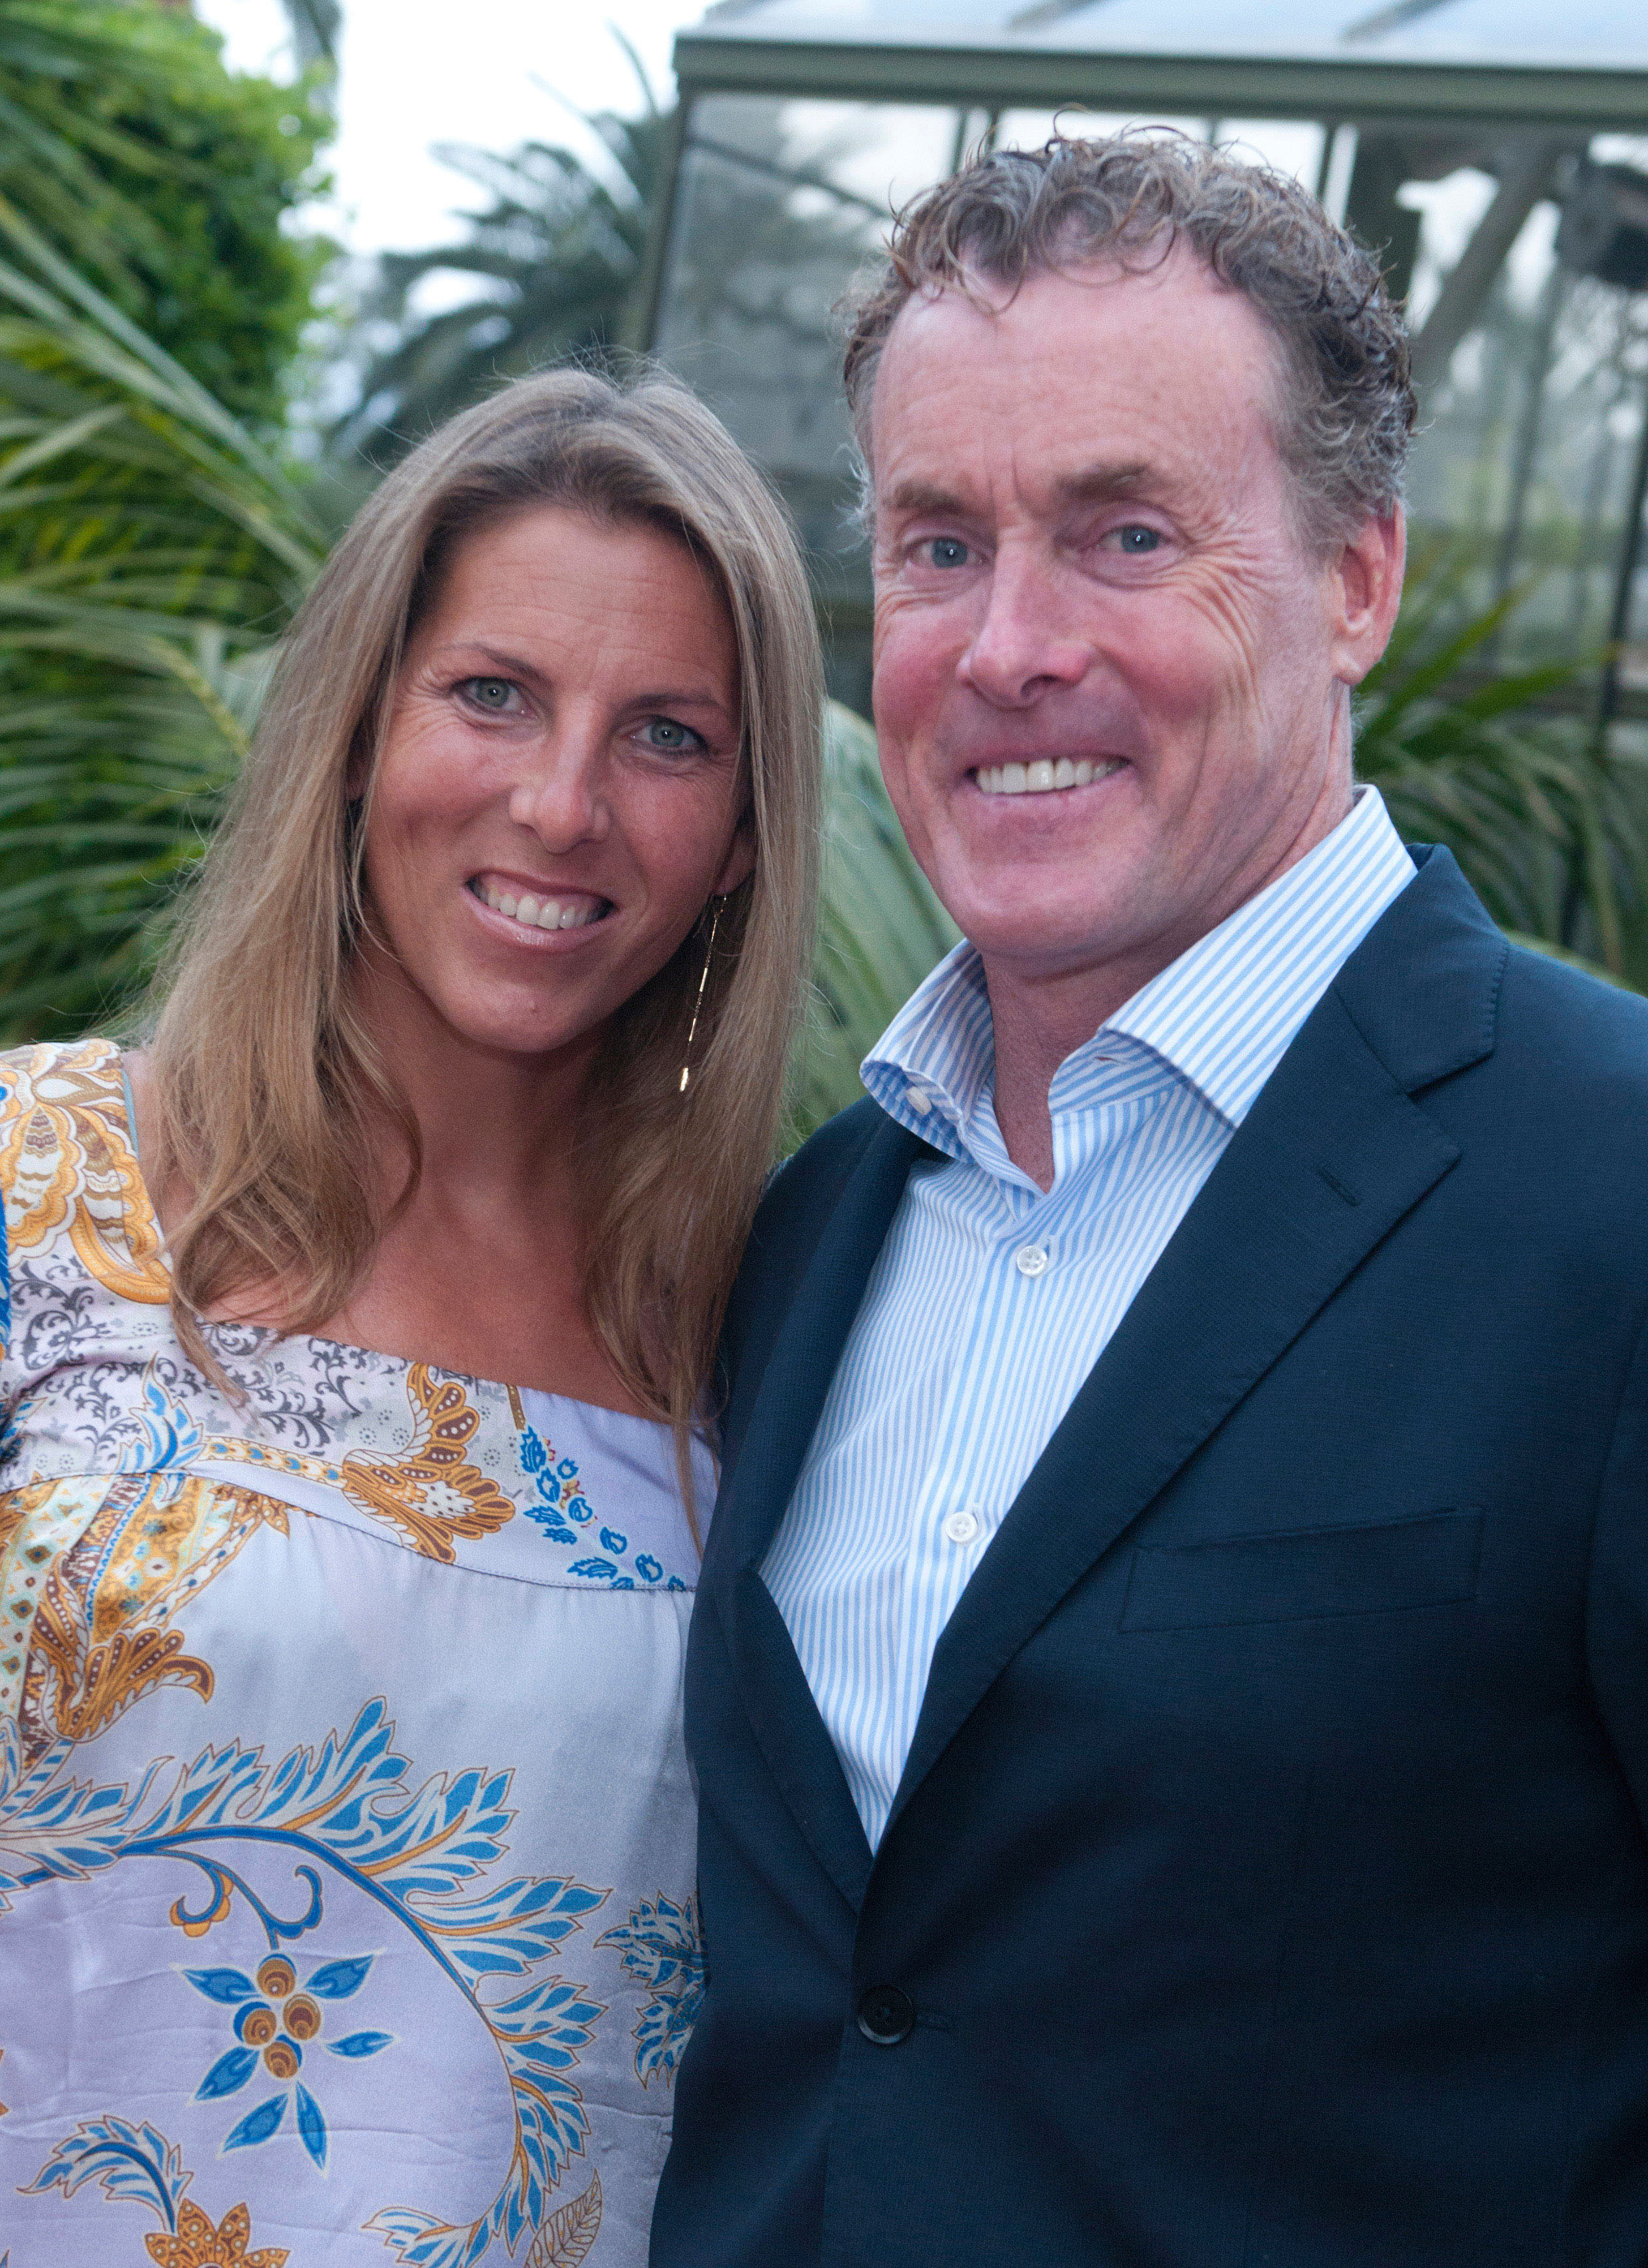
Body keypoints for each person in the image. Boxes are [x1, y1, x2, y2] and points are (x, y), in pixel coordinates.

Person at [651, 134, 1648, 2268]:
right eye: (938, 546)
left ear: (1357, 578)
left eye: (1124, 534)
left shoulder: (1613, 1192)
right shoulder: (810, 1231)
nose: (1009, 648)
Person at [0, 366, 821, 2268]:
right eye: (494, 693)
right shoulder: (41, 1194)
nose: (563, 802)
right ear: (359, 728)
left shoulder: (762, 1349)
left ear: (752, 834)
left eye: (671, 736)